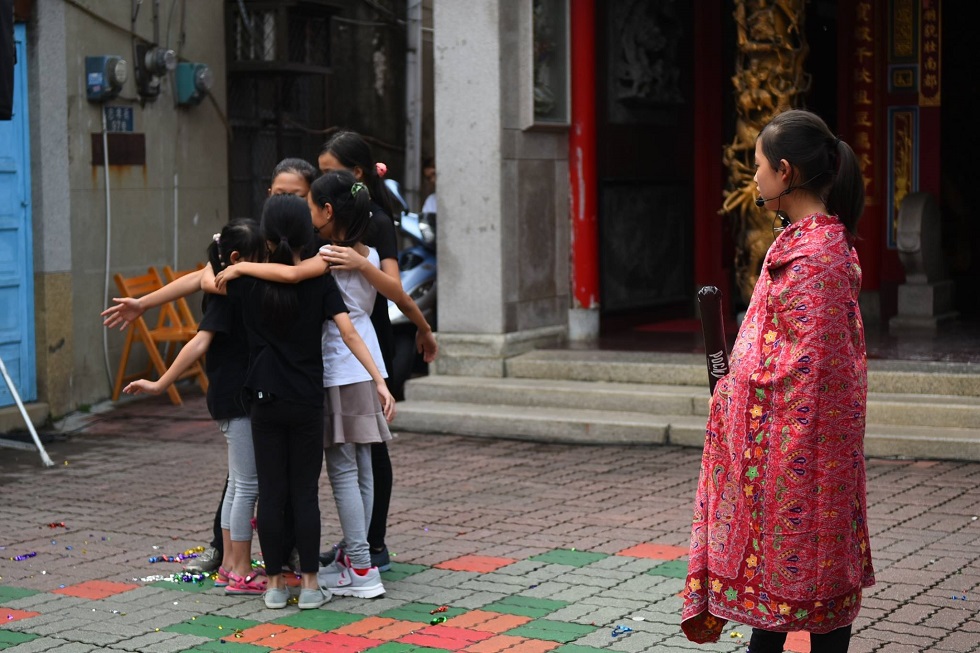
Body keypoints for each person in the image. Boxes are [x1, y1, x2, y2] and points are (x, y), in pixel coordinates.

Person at [681, 108, 874, 652]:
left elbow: (809, 372)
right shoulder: (802, 241)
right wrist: (735, 376)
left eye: (759, 166)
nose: (754, 178)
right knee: (784, 587)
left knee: (814, 590)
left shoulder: (818, 258)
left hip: (806, 455)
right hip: (792, 456)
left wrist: (735, 385)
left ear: (785, 173)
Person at [102, 158, 320, 578]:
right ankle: (236, 563)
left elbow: (278, 276)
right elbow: (202, 298)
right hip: (246, 392)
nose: (282, 201)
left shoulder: (278, 256)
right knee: (248, 483)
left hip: (267, 387)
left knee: (256, 480)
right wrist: (148, 313)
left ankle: (259, 558)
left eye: (293, 195)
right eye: (277, 193)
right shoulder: (239, 268)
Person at [215, 170, 397, 599]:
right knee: (306, 494)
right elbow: (350, 332)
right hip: (307, 399)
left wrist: (232, 266)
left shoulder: (247, 280)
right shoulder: (319, 279)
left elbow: (204, 282)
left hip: (262, 399)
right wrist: (379, 380)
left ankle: (275, 586)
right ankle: (312, 585)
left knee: (271, 493)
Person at [120, 219, 268, 596]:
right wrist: (161, 382)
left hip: (231, 396)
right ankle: (238, 569)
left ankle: (231, 567)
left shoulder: (224, 278)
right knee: (246, 485)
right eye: (259, 257)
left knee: (238, 483)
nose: (264, 263)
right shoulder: (227, 289)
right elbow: (199, 343)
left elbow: (192, 279)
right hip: (236, 399)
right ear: (235, 258)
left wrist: (144, 303)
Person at [318, 130, 438, 572]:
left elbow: (396, 289)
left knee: (369, 448)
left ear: (357, 173)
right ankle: (360, 544)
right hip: (347, 339)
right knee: (356, 450)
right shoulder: (329, 222)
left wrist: (361, 264)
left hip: (368, 340)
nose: (321, 179)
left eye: (330, 171)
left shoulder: (374, 223)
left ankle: (372, 543)